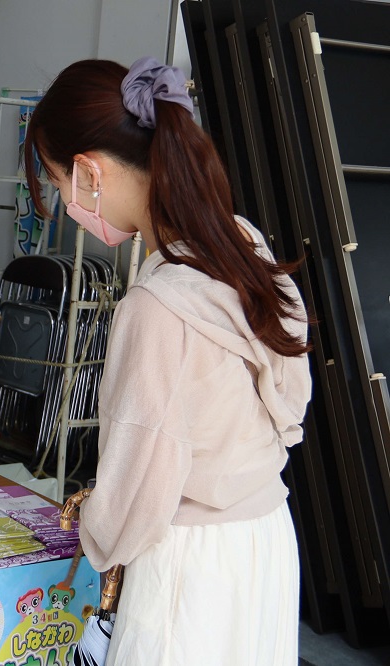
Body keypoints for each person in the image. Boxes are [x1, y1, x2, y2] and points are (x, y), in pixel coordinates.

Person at [24, 57, 311, 664]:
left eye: (56, 183)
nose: (64, 201)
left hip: (188, 564)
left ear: (89, 173)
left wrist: (97, 527)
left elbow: (139, 491)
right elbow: (292, 402)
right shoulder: (245, 248)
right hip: (262, 540)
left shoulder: (157, 304)